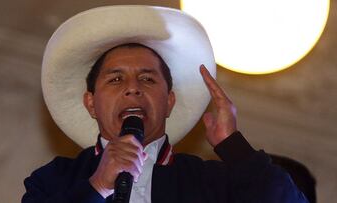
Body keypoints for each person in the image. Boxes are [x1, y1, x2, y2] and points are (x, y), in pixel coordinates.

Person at [22, 5, 308, 203]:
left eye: (147, 80)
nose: (133, 88)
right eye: (115, 79)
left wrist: (233, 145)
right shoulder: (54, 179)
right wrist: (97, 186)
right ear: (91, 103)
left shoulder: (213, 182)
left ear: (169, 101)